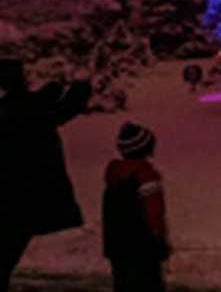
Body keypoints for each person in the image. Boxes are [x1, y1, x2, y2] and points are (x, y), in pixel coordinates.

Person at [0, 59, 91, 292]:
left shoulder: (10, 109)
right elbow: (60, 111)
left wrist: (49, 93)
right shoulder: (27, 109)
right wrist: (80, 87)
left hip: (12, 194)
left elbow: (38, 109)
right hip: (27, 193)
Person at [103, 122, 170, 292]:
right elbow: (154, 213)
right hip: (143, 249)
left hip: (118, 249)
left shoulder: (114, 178)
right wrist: (160, 242)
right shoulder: (146, 177)